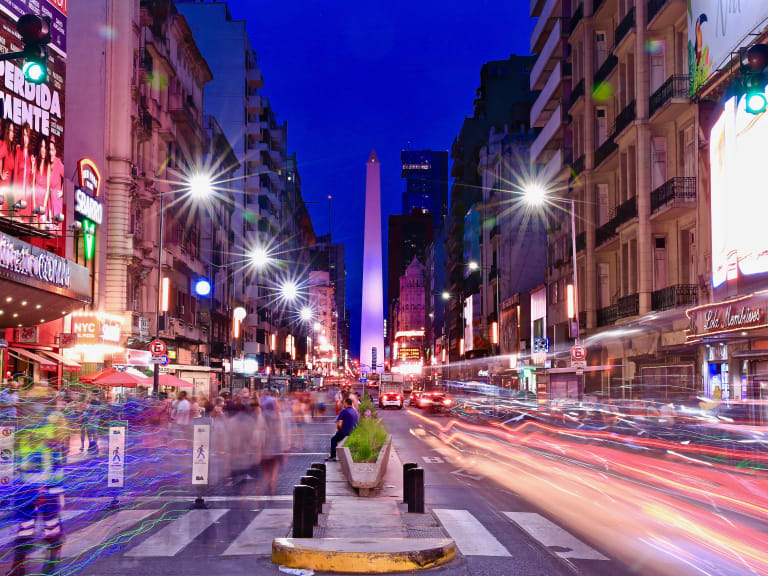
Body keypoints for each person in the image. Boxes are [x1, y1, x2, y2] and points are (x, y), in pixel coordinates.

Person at [326, 397, 359, 462]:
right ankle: (333, 454)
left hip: (345, 432)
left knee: (333, 439)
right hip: (354, 431)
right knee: (338, 438)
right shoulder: (355, 412)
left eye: (344, 403)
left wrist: (338, 430)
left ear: (346, 403)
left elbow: (339, 424)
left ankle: (333, 456)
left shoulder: (343, 411)